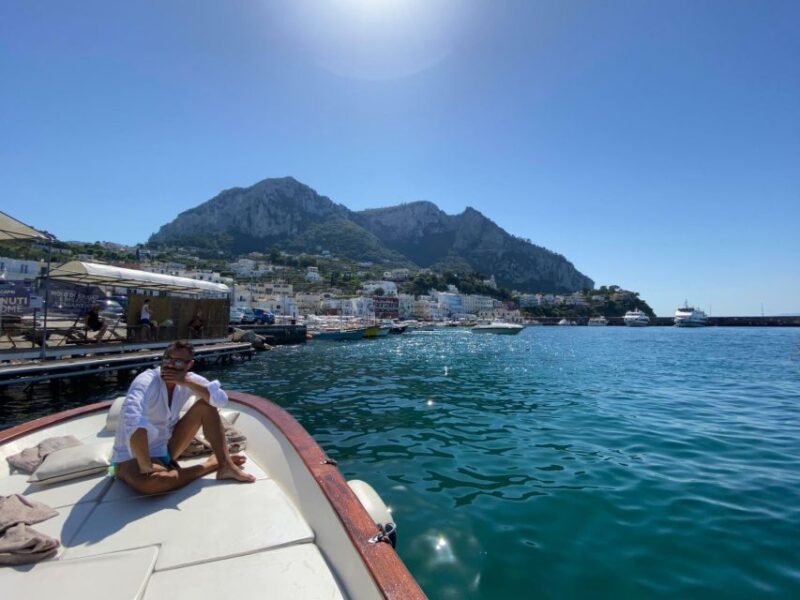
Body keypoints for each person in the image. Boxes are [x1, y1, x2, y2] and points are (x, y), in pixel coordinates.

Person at [111, 340, 255, 495]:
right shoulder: (146, 381)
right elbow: (133, 419)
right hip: (132, 456)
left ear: (189, 365)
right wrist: (145, 464)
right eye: (167, 358)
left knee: (207, 405)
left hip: (165, 451)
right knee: (153, 485)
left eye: (178, 362)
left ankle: (225, 465)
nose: (170, 365)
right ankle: (211, 465)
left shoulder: (188, 379)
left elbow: (220, 399)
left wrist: (186, 382)